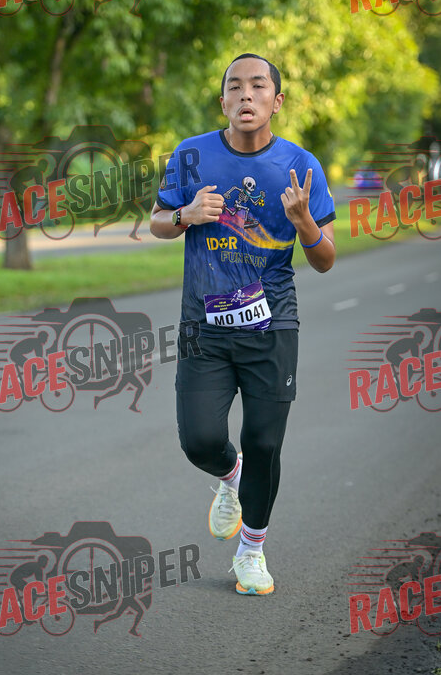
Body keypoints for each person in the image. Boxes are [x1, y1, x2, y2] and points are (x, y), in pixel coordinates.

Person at [150, 53, 336, 595]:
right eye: (235, 86)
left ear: (277, 101)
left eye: (258, 86)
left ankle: (251, 551)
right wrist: (185, 215)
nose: (246, 95)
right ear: (223, 101)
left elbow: (325, 259)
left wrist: (304, 222)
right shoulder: (191, 155)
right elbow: (158, 222)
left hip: (271, 327)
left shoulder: (300, 165)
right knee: (200, 440)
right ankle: (230, 477)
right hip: (202, 326)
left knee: (264, 443)